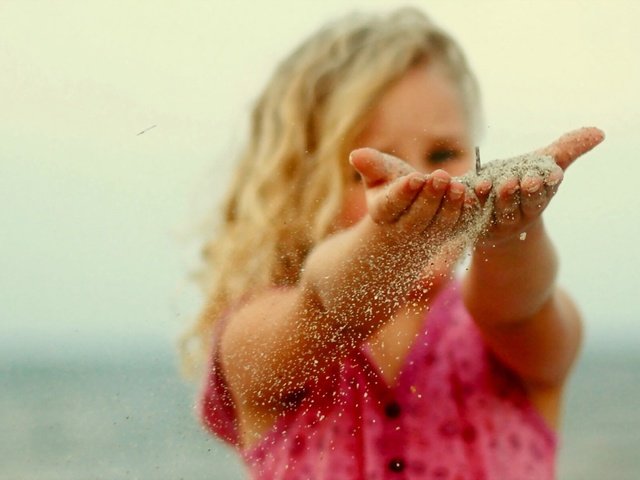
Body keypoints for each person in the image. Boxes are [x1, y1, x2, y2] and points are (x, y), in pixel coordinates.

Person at [185, 7, 604, 479]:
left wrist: (507, 233)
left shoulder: (503, 330)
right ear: (300, 191)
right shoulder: (262, 337)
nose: (422, 181)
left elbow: (518, 307)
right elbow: (326, 302)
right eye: (367, 169)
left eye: (444, 153)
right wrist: (386, 244)